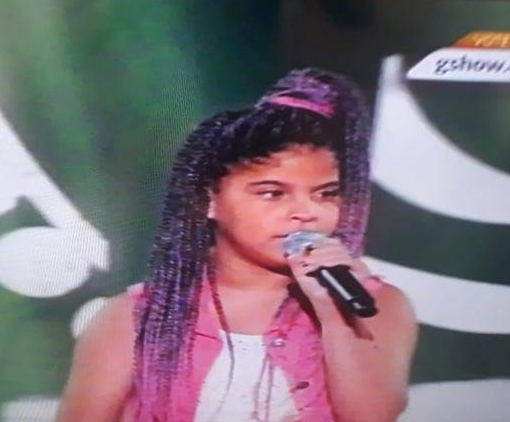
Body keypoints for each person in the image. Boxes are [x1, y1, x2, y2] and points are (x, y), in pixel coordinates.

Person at [56, 68, 418, 422]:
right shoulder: (140, 316)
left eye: (325, 194)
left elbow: (373, 416)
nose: (306, 213)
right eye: (273, 193)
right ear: (208, 199)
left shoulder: (373, 302)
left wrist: (333, 312)